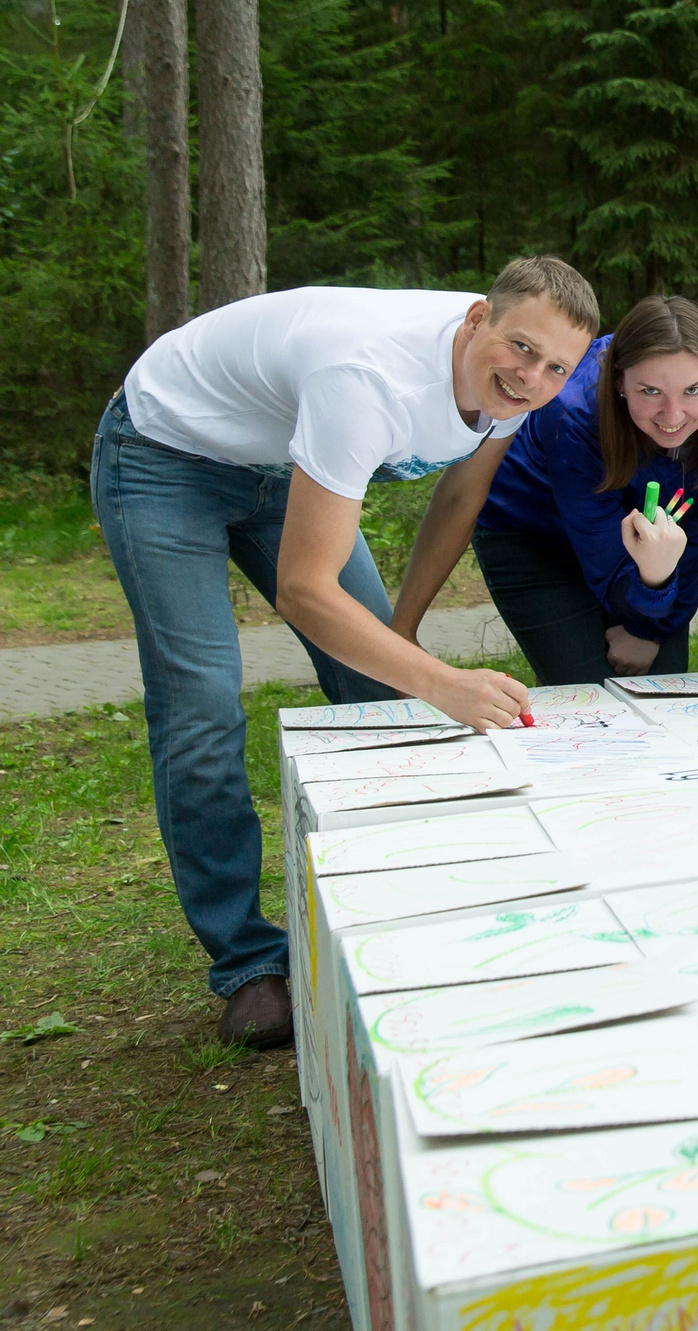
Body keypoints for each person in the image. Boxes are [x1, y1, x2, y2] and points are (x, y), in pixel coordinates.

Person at [91, 258, 601, 1046]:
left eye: (556, 367)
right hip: (166, 452)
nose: (532, 376)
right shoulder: (368, 378)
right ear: (476, 321)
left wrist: (403, 634)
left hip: (279, 460)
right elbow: (305, 587)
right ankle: (248, 963)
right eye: (522, 349)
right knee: (202, 704)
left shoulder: (514, 388)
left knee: (384, 678)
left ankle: (403, 898)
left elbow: (461, 494)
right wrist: (441, 681)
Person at [473, 295, 698, 685]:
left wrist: (652, 628)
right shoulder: (572, 413)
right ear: (619, 381)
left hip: (643, 528)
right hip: (534, 536)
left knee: (664, 683)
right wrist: (648, 602)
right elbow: (603, 554)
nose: (673, 416)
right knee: (593, 691)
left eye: (693, 391)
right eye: (650, 391)